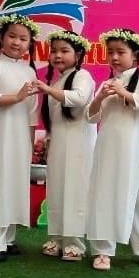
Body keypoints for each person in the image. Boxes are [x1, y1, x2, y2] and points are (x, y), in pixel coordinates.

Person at [86, 28, 139, 271]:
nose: (115, 57)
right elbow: (91, 117)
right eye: (111, 52)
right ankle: (102, 250)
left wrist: (125, 94)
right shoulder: (106, 84)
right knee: (104, 194)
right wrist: (100, 98)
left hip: (134, 149)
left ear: (135, 54)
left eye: (121, 52)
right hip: (107, 147)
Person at [0, 14, 39, 262]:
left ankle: (8, 237)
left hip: (21, 135)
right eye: (12, 36)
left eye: (23, 39)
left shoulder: (29, 71)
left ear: (29, 44)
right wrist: (16, 97)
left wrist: (30, 141)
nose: (16, 42)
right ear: (1, 38)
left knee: (15, 183)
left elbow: (32, 110)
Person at [39, 30, 96, 262]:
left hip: (78, 144)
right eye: (54, 51)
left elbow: (79, 99)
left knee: (75, 191)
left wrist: (47, 90)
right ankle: (57, 238)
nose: (58, 55)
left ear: (78, 54)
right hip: (59, 143)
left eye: (64, 51)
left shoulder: (83, 76)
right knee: (57, 189)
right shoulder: (57, 81)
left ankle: (74, 243)